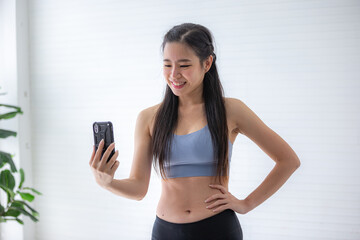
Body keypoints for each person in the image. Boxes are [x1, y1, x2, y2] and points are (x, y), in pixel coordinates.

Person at [89, 23, 301, 240]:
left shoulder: (231, 110)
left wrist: (246, 204)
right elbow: (138, 188)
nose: (174, 75)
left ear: (207, 63)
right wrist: (107, 182)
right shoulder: (149, 117)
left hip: (217, 229)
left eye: (184, 65)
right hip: (165, 232)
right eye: (167, 65)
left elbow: (288, 160)